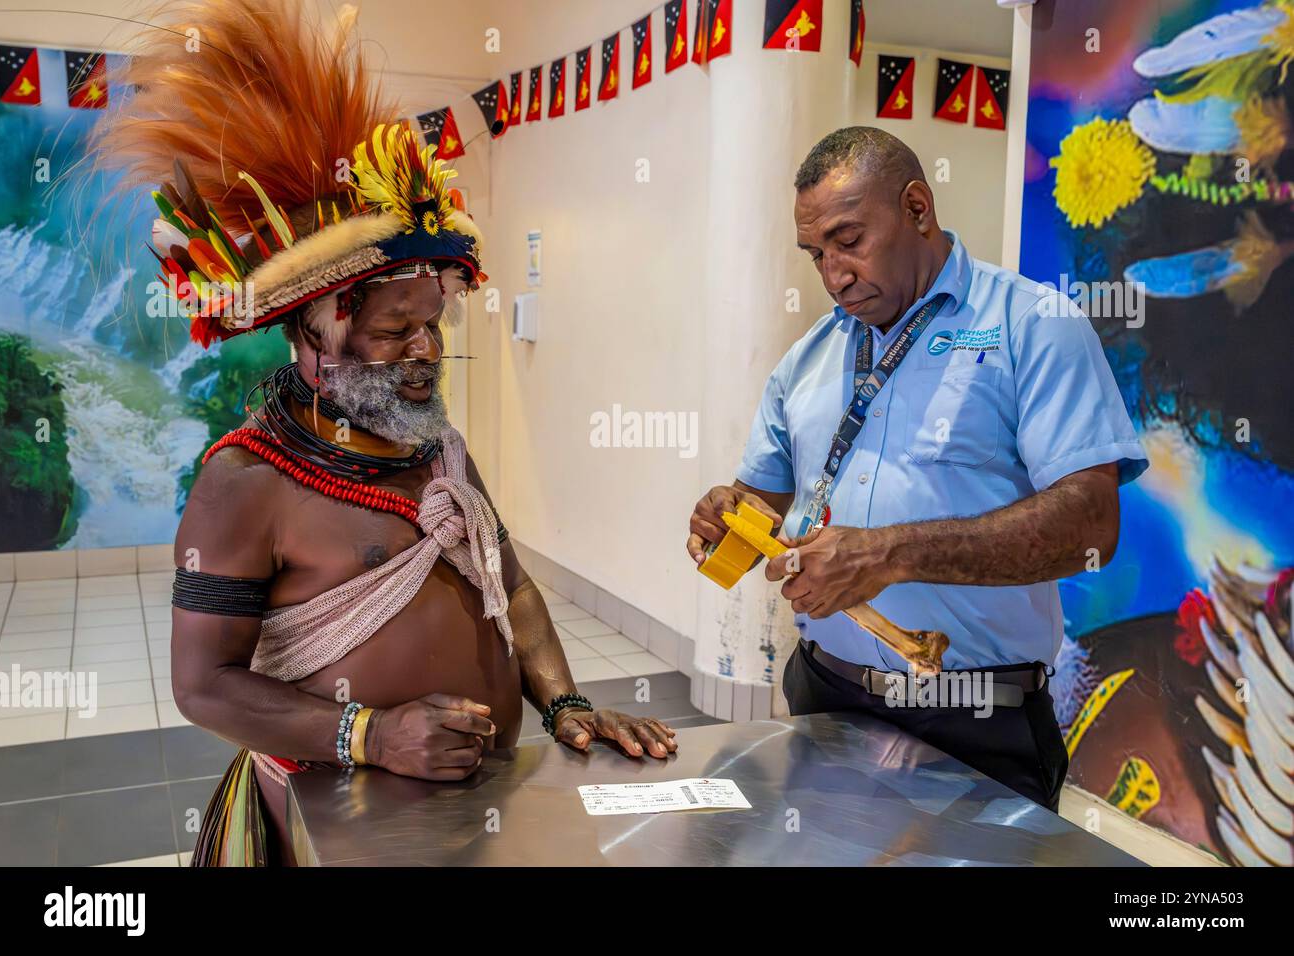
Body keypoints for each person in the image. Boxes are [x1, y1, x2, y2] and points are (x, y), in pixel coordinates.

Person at [92, 0, 676, 866]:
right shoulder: (245, 482)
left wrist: (562, 705)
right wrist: (370, 735)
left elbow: (509, 591)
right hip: (328, 819)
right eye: (395, 330)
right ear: (313, 331)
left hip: (475, 812)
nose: (426, 351)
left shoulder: (442, 453)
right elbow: (201, 685)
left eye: (434, 323)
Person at [686, 127, 1148, 811]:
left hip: (975, 722)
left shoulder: (1033, 325)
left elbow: (1090, 524)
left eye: (850, 241)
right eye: (816, 253)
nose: (833, 274)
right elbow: (766, 501)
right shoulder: (809, 357)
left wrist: (888, 555)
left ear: (917, 208)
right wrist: (728, 516)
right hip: (824, 698)